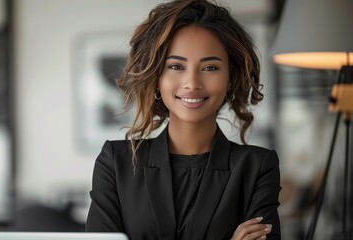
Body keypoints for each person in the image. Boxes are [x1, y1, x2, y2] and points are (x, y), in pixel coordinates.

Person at [85, 0, 281, 239]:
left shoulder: (257, 167)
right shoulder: (116, 164)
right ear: (157, 76)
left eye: (210, 68)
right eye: (176, 66)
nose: (192, 83)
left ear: (230, 78)